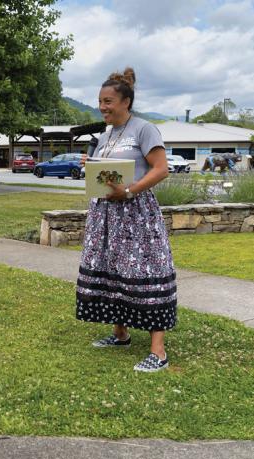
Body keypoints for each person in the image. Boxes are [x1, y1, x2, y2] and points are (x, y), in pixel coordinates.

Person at [77, 67, 176, 373]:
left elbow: (161, 169)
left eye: (108, 101)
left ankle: (158, 352)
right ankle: (120, 334)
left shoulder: (144, 130)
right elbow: (110, 173)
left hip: (136, 214)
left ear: (126, 102)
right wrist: (91, 165)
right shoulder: (105, 135)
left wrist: (130, 191)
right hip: (106, 214)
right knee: (112, 272)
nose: (102, 107)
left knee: (146, 272)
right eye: (100, 101)